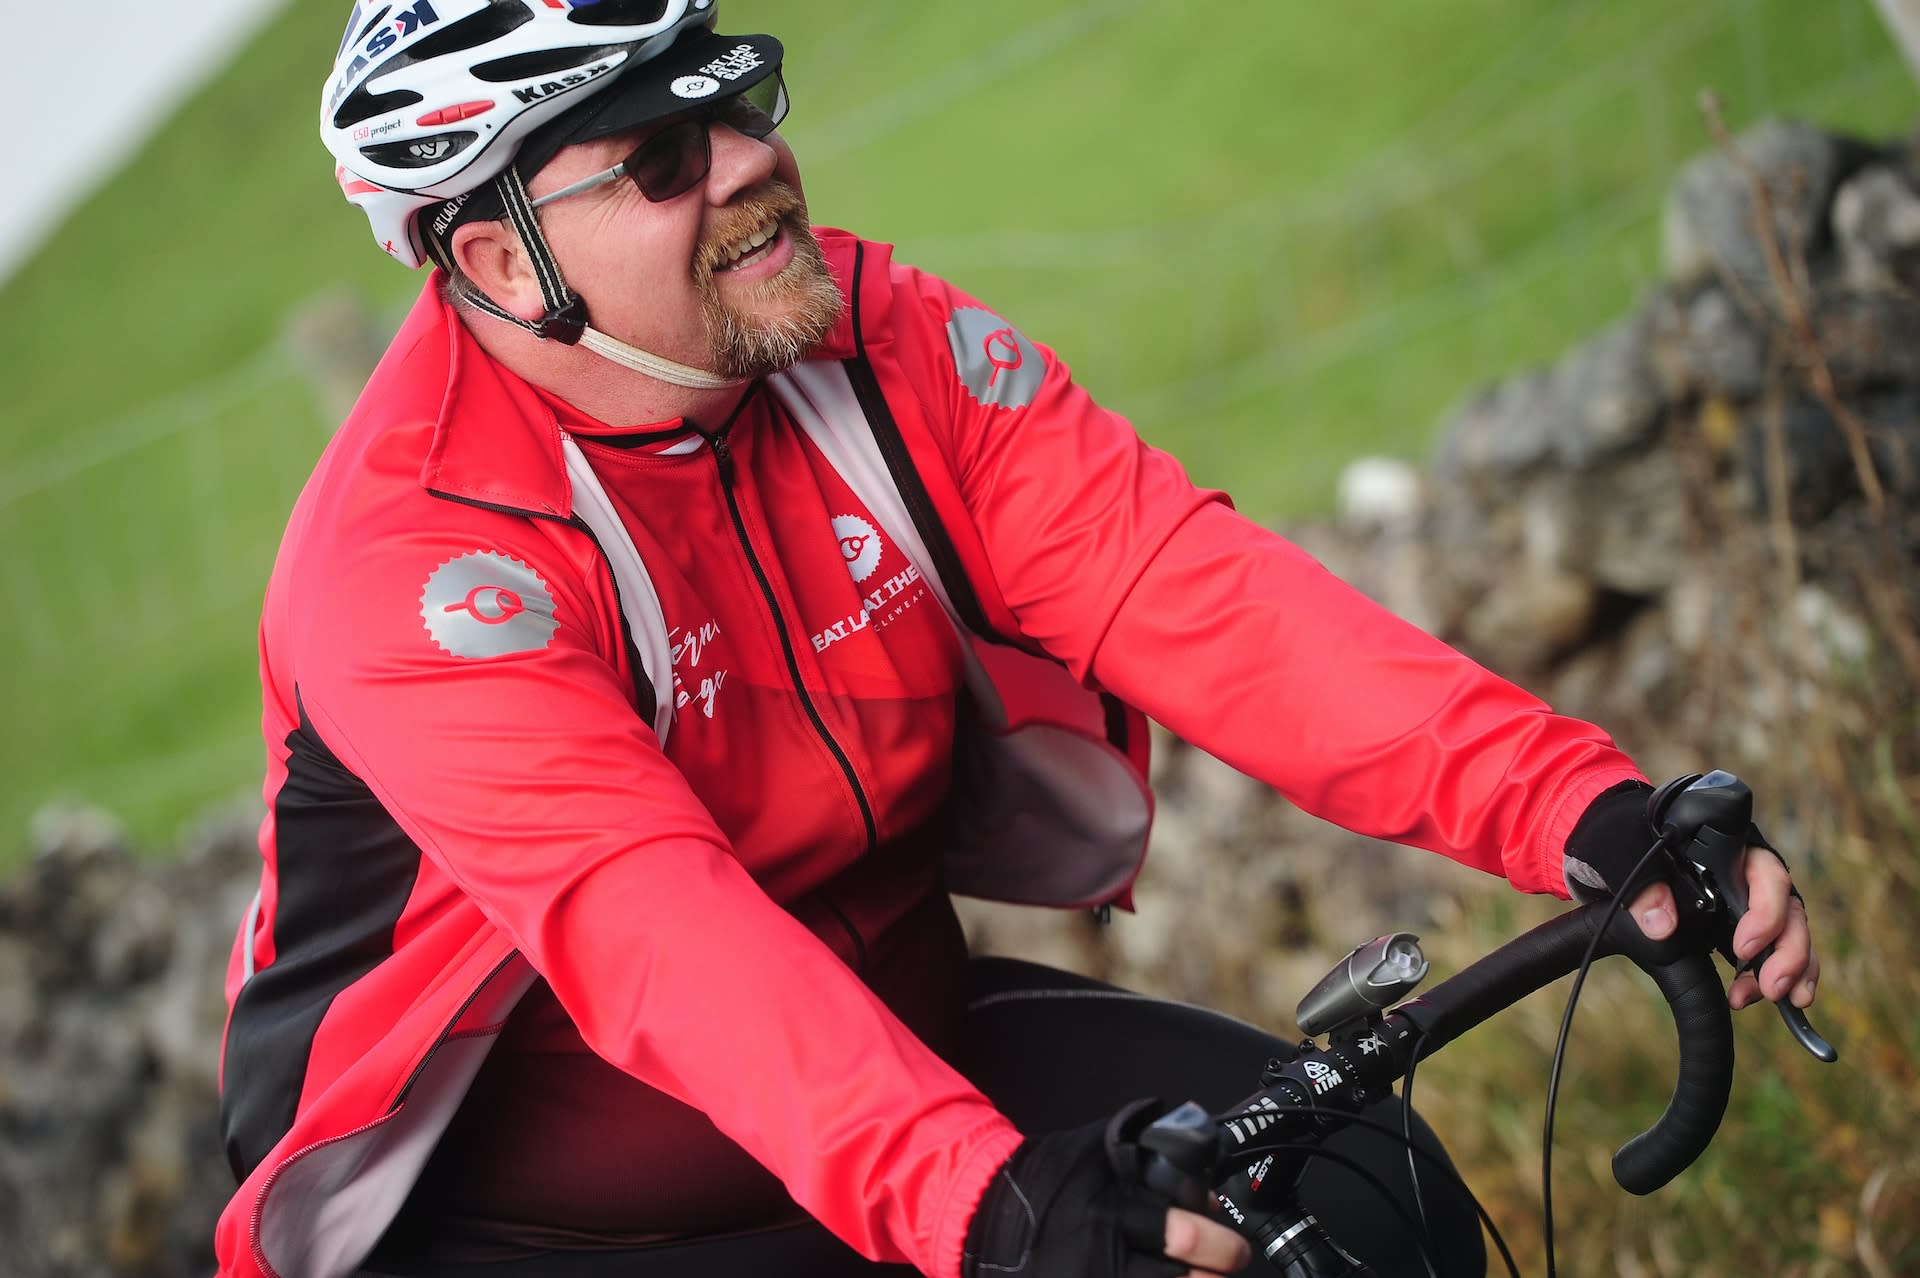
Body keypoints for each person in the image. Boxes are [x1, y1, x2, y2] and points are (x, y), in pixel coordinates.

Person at [215, 3, 1821, 1276]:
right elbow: (660, 933)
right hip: (551, 1229)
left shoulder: (873, 336)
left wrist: (1584, 811)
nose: (745, 163)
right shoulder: (411, 566)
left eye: (737, 95)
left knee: (1365, 1200)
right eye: (655, 159)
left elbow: (1189, 590)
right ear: (499, 259)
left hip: (917, 1059)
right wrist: (984, 1206)